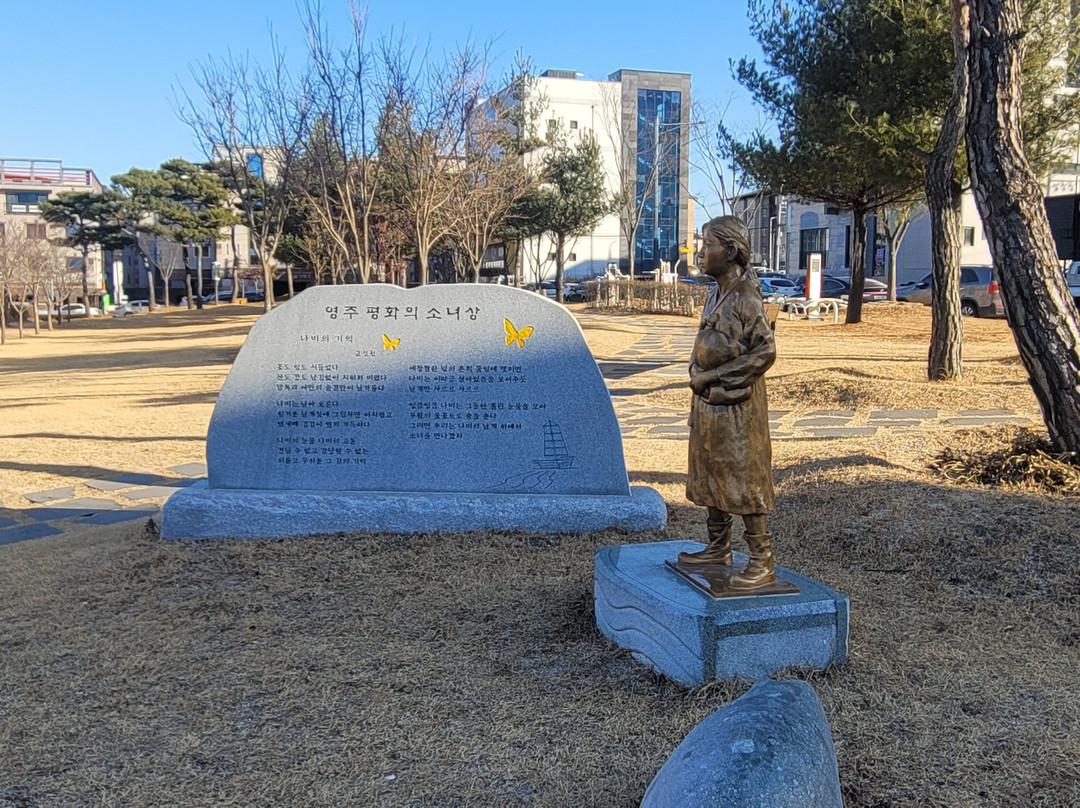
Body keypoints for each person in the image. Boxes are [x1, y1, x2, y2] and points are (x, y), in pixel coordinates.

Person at [678, 216, 778, 589]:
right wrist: (695, 370)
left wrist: (714, 377)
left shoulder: (744, 295)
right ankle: (718, 546)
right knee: (710, 470)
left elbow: (765, 350)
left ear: (732, 251)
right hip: (708, 403)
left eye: (708, 245)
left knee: (743, 476)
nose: (701, 252)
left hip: (737, 407)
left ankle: (761, 559)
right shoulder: (714, 292)